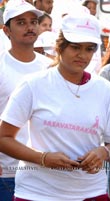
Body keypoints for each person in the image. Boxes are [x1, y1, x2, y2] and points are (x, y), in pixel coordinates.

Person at [0, 12, 110, 201]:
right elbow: (4, 138)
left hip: (90, 192)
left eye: (89, 49)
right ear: (60, 46)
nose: (82, 55)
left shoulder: (106, 91)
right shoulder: (33, 85)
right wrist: (43, 158)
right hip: (37, 193)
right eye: (75, 47)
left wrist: (102, 152)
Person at [0, 1, 53, 200]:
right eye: (21, 22)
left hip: (45, 171)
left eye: (33, 21)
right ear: (7, 30)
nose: (30, 27)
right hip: (7, 172)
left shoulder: (50, 68)